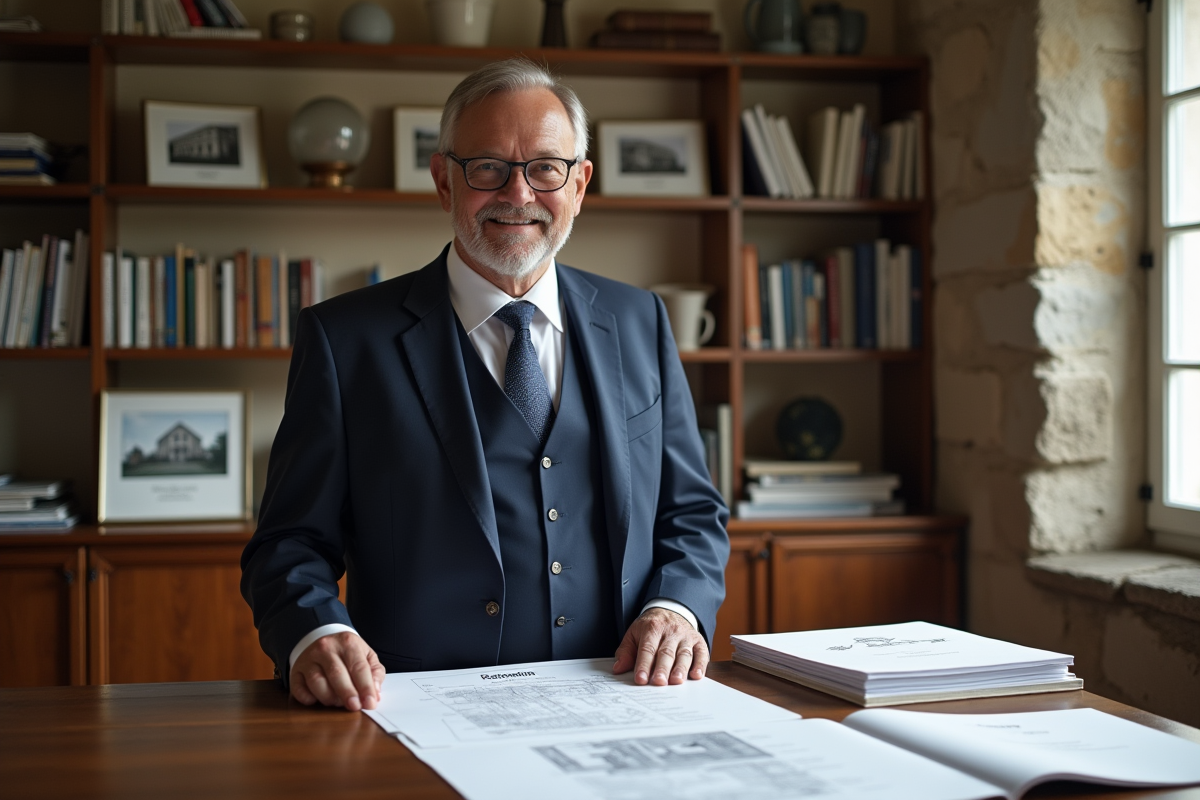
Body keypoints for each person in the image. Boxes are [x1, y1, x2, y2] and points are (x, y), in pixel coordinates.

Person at [240, 58, 730, 713]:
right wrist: (315, 633)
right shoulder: (345, 340)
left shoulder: (639, 320)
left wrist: (676, 607)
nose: (519, 195)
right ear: (445, 181)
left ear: (579, 185)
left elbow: (692, 513)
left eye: (546, 169)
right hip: (417, 709)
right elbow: (289, 541)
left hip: (624, 697)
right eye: (488, 167)